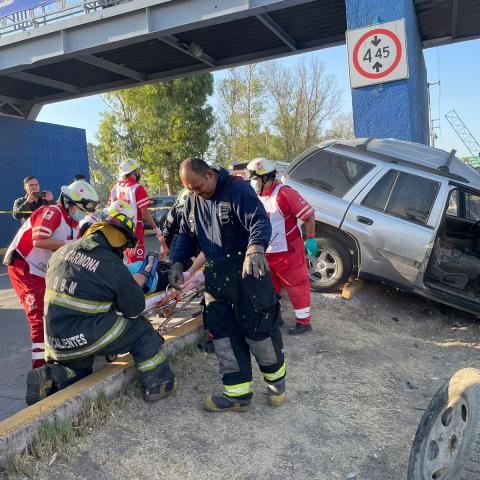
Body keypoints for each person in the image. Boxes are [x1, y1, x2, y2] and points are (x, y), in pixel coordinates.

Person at [25, 202, 176, 406]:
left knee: (80, 367)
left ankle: (53, 375)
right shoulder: (110, 264)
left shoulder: (62, 252)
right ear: (120, 241)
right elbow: (134, 309)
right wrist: (142, 277)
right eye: (124, 246)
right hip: (85, 334)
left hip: (56, 342)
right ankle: (159, 384)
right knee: (142, 331)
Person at [169, 157, 286, 413]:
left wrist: (256, 248)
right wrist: (177, 262)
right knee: (223, 336)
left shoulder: (237, 190)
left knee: (259, 332)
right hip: (217, 277)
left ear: (210, 174)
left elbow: (259, 221)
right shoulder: (192, 200)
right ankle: (237, 394)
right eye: (190, 189)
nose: (194, 193)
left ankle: (276, 382)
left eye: (197, 187)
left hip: (248, 272)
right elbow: (186, 235)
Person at [4, 181, 99, 368]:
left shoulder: (75, 224)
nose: (81, 212)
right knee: (38, 314)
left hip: (43, 271)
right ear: (67, 202)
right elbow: (39, 241)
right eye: (78, 208)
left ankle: (59, 354)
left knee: (60, 308)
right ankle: (40, 368)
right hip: (23, 267)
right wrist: (72, 244)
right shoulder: (52, 212)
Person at [246, 158, 317, 335]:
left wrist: (310, 238)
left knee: (297, 286)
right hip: (267, 253)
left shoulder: (285, 193)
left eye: (255, 179)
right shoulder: (256, 197)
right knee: (270, 289)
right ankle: (276, 318)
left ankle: (304, 322)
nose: (253, 183)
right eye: (252, 179)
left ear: (266, 177)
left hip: (289, 251)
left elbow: (308, 215)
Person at [109, 158, 168, 263]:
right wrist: (155, 228)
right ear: (134, 172)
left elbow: (110, 209)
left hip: (120, 228)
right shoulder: (137, 188)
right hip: (135, 229)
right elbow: (144, 212)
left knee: (127, 259)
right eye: (138, 170)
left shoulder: (115, 187)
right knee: (136, 261)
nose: (139, 173)